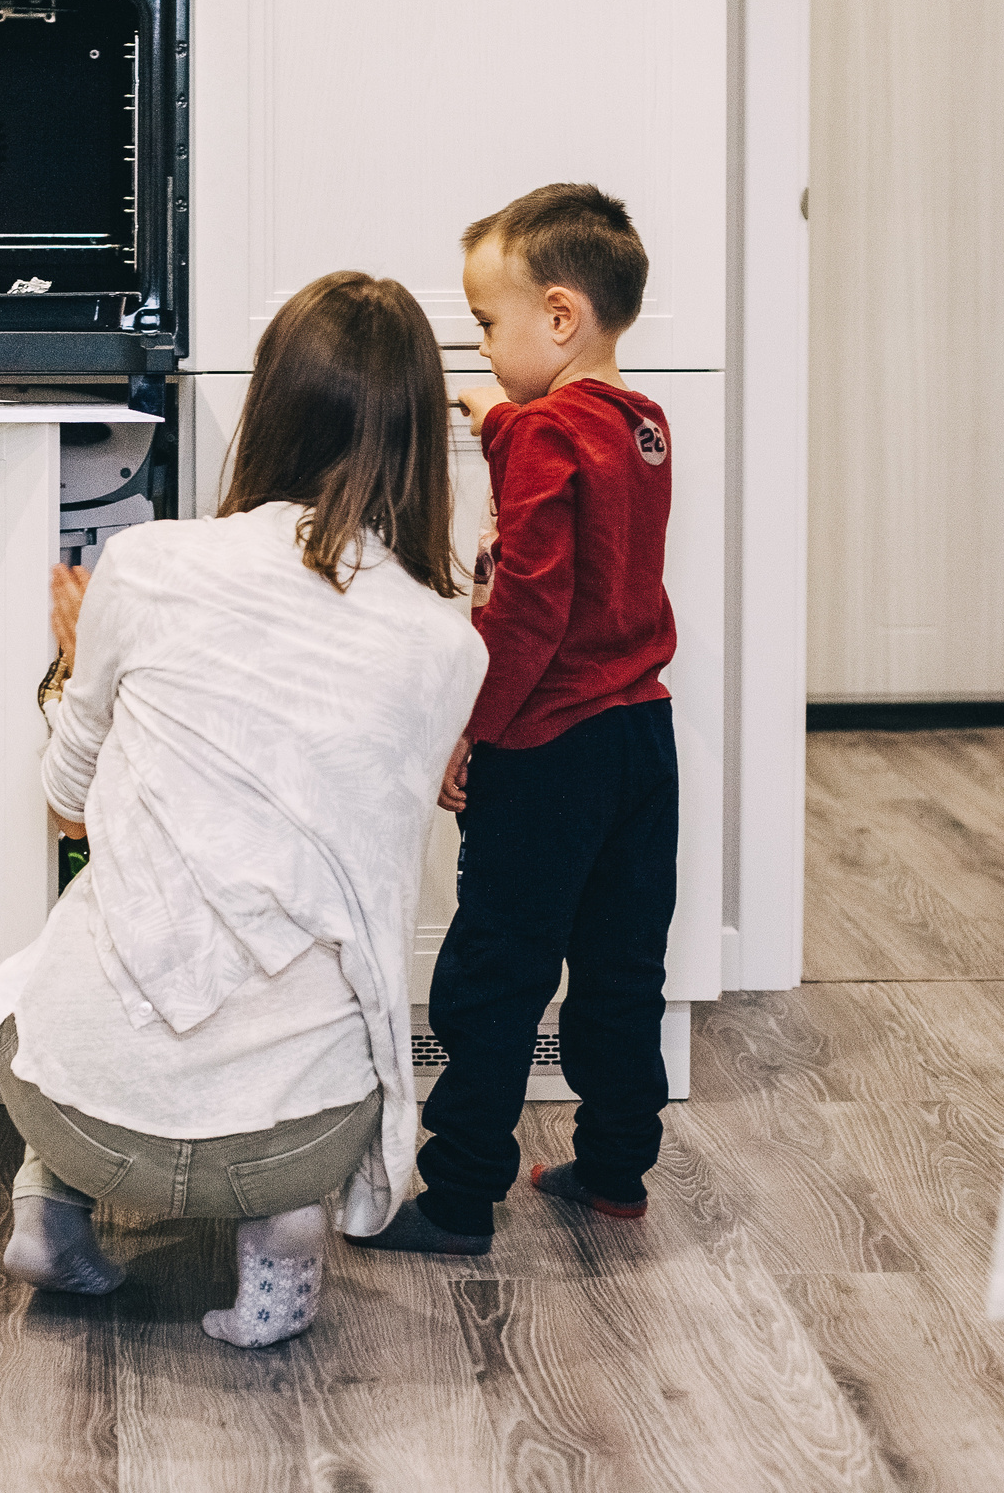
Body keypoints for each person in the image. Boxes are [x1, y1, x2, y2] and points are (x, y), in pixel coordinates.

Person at [0, 271, 487, 1347]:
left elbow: (66, 808)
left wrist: (71, 669)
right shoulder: (448, 648)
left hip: (85, 1113)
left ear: (268, 408)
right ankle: (281, 1247)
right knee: (302, 979)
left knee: (51, 963)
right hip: (291, 1136)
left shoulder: (145, 565)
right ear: (421, 438)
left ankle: (49, 1212)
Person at [350, 182, 679, 1258]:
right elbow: (553, 457)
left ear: (557, 316)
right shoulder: (639, 429)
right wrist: (500, 419)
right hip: (641, 742)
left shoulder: (541, 436)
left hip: (549, 750)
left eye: (487, 326)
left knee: (494, 971)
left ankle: (457, 1198)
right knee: (622, 968)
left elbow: (531, 608)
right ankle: (618, 1168)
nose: (482, 348)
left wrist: (467, 730)